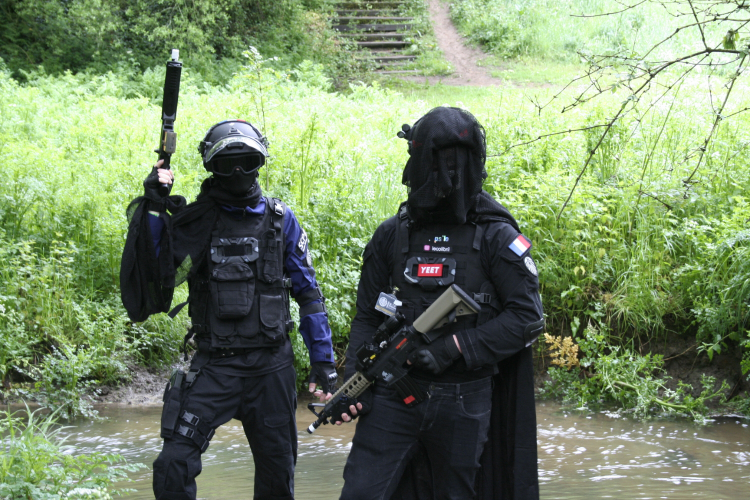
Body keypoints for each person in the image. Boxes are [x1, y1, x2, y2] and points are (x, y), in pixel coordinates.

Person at [120, 119, 337, 500]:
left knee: (277, 480)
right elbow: (158, 273)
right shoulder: (197, 223)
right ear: (211, 168)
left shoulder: (280, 220)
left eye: (246, 163)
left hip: (271, 369)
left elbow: (309, 294)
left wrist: (323, 360)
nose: (237, 172)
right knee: (172, 465)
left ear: (259, 163)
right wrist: (155, 207)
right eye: (226, 165)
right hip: (216, 367)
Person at [336, 107, 545, 500]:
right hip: (390, 395)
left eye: (454, 164)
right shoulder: (391, 235)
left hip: (464, 399)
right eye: (438, 163)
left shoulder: (497, 237)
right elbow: (367, 316)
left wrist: (454, 348)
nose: (447, 176)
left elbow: (527, 318)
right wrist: (354, 382)